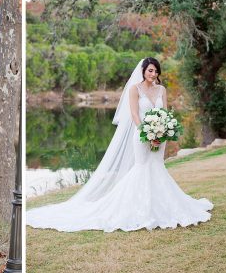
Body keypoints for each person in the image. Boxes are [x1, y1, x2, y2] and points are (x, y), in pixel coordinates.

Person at [26, 58, 212, 232]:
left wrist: (161, 133)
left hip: (160, 136)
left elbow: (164, 113)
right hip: (142, 135)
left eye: (156, 71)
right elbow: (134, 114)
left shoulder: (161, 90)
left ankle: (162, 206)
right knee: (141, 168)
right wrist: (147, 133)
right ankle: (137, 208)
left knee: (157, 167)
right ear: (143, 71)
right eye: (150, 70)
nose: (153, 74)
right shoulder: (135, 89)